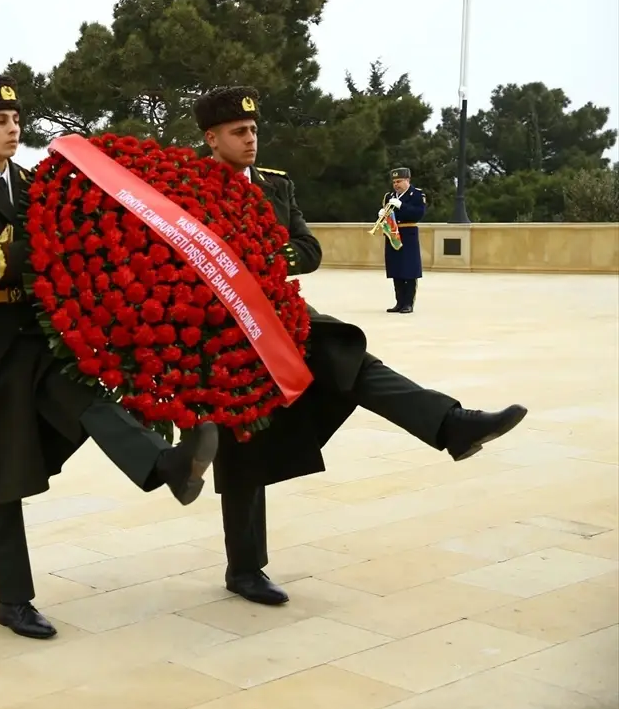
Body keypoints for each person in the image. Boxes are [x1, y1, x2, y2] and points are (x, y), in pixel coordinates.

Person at [192, 86, 528, 606]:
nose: (251, 138)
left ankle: (451, 425)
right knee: (243, 441)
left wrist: (263, 257)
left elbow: (308, 247)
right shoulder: (180, 185)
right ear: (211, 137)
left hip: (280, 315)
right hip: (218, 330)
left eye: (254, 129)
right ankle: (245, 568)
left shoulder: (276, 185)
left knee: (349, 358)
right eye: (238, 132)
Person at [0, 74, 221, 640]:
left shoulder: (36, 183)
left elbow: (77, 235)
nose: (12, 128)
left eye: (15, 120)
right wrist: (43, 245)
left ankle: (169, 466)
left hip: (38, 335)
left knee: (87, 400)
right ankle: (14, 602)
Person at [381, 167, 426, 313]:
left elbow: (419, 213)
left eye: (399, 181)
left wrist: (401, 205)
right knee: (396, 269)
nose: (396, 184)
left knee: (409, 270)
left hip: (408, 234)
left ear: (407, 180)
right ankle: (399, 302)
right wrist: (382, 215)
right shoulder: (389, 196)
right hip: (393, 234)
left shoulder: (417, 194)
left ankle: (408, 303)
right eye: (394, 182)